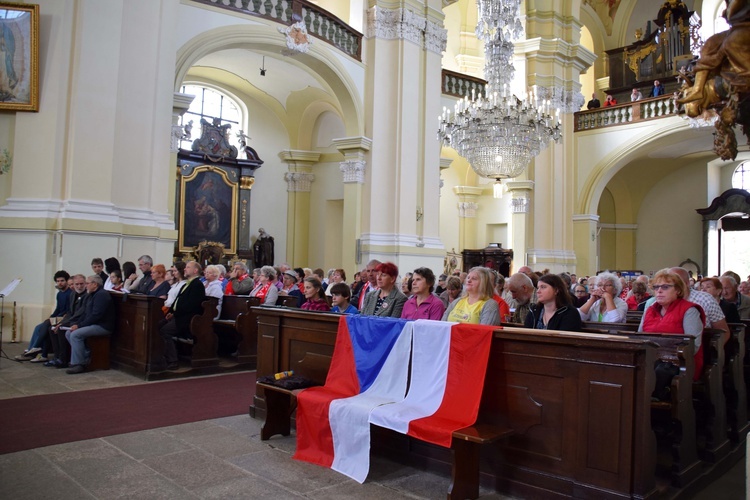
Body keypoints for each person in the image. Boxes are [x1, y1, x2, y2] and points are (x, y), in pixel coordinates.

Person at [640, 269, 705, 400]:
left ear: (678, 290)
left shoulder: (689, 310)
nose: (659, 290)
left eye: (665, 287)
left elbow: (693, 346)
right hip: (652, 360)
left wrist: (667, 357)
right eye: (656, 287)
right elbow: (639, 337)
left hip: (680, 363)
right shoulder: (650, 310)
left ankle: (650, 406)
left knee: (660, 371)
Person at [16, 270, 73, 363]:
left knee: (47, 327)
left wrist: (54, 319)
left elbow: (68, 310)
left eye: (62, 280)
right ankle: (31, 349)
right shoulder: (59, 294)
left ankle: (37, 350)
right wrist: (51, 317)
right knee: (38, 327)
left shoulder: (70, 293)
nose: (60, 283)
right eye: (58, 281)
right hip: (57, 317)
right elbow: (58, 308)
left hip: (64, 318)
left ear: (66, 281)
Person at [159, 261, 206, 370]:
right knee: (157, 325)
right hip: (178, 316)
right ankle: (160, 356)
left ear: (195, 271)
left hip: (187, 319)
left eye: (188, 267)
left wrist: (175, 313)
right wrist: (170, 312)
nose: (185, 269)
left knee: (164, 331)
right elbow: (178, 300)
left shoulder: (197, 285)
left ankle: (173, 360)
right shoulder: (187, 284)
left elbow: (191, 305)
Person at [65, 275, 115, 374]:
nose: (86, 286)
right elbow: (86, 313)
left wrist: (79, 326)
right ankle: (85, 355)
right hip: (94, 324)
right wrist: (77, 324)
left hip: (103, 326)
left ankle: (79, 364)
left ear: (95, 284)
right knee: (69, 332)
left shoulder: (101, 295)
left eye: (87, 283)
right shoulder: (92, 294)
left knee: (76, 334)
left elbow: (96, 315)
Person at [46, 274, 87, 368]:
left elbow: (81, 312)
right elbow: (69, 312)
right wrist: (61, 322)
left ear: (85, 284)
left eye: (81, 284)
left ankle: (64, 359)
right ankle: (57, 356)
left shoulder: (87, 295)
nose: (79, 286)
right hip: (71, 319)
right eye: (77, 284)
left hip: (80, 321)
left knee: (60, 329)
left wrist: (63, 324)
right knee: (52, 328)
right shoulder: (73, 294)